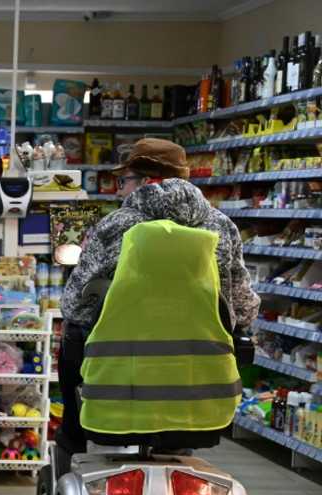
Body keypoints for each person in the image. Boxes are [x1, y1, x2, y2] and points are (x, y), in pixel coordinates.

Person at [58, 138, 260, 454]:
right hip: (200, 390)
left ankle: (71, 443)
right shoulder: (223, 226)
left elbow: (74, 306)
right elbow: (243, 309)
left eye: (124, 181)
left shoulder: (116, 225)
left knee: (71, 337)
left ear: (149, 181)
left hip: (119, 384)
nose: (120, 190)